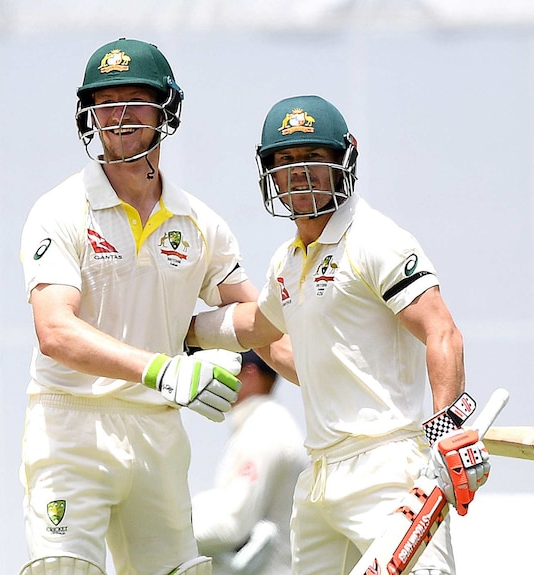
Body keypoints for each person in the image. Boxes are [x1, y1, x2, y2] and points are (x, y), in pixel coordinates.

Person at [187, 94, 491, 575]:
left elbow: (442, 330)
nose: (300, 174)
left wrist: (448, 434)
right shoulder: (287, 262)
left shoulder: (375, 240)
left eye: (314, 159)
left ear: (344, 161)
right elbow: (257, 328)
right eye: (286, 162)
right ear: (270, 174)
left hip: (388, 469)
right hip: (320, 478)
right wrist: (184, 329)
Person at [18, 37, 267, 575]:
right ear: (90, 115)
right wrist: (164, 368)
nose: (120, 115)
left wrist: (335, 366)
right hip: (71, 425)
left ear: (166, 110)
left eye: (135, 99)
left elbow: (261, 324)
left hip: (156, 432)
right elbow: (55, 331)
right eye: (106, 102)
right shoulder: (59, 211)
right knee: (63, 568)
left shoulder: (200, 223)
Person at [191, 350, 307, 575]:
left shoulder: (265, 429)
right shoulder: (262, 423)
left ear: (250, 374)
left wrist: (163, 529)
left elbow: (232, 525)